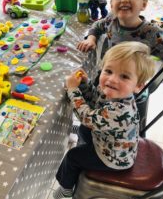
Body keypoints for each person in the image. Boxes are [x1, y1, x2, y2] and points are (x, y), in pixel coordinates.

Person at [53, 41, 155, 198]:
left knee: (72, 157)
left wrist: (73, 89)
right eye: (108, 71)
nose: (112, 79)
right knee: (86, 127)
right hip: (111, 140)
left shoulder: (119, 110)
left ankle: (65, 190)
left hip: (112, 158)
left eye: (124, 76)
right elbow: (96, 100)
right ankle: (79, 133)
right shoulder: (117, 93)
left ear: (138, 86)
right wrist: (86, 84)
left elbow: (85, 116)